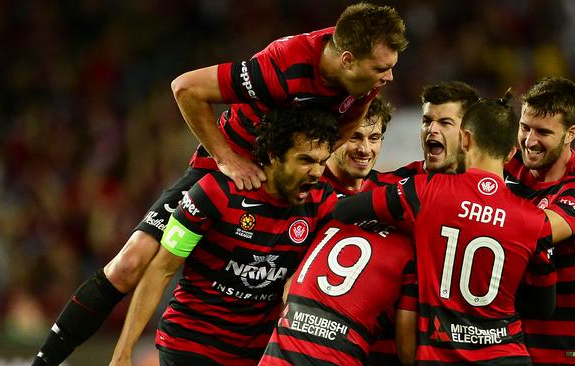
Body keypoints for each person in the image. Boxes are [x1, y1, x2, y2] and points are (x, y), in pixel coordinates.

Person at [31, 4, 408, 365]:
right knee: (129, 264)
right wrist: (227, 159)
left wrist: (312, 171)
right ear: (347, 60)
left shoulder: (364, 80)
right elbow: (186, 88)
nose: (389, 77)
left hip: (285, 178)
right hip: (229, 169)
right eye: (382, 68)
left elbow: (344, 125)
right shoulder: (281, 67)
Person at [333, 95, 561, 365]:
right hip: (506, 356)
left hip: (441, 356)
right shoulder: (535, 220)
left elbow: (343, 211)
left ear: (464, 140)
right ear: (512, 153)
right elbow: (544, 307)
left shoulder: (425, 191)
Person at [110, 108, 340, 366]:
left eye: (322, 162)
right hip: (191, 346)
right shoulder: (214, 193)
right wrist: (123, 352)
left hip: (255, 355)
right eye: (306, 160)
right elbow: (161, 270)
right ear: (274, 155)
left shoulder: (322, 202)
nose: (317, 172)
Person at [258, 97, 417, 366]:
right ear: (337, 138)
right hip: (282, 339)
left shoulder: (384, 194)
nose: (365, 149)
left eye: (374, 138)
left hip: (355, 348)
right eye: (355, 137)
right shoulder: (303, 192)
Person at [364, 81, 479, 365]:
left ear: (468, 134)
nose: (432, 129)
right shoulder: (389, 187)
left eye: (445, 122)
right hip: (379, 351)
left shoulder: (490, 204)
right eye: (427, 120)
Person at [504, 76, 575, 365]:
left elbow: (540, 230)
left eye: (543, 132)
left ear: (570, 133)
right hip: (521, 346)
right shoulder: (509, 168)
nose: (529, 141)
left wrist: (481, 207)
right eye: (524, 127)